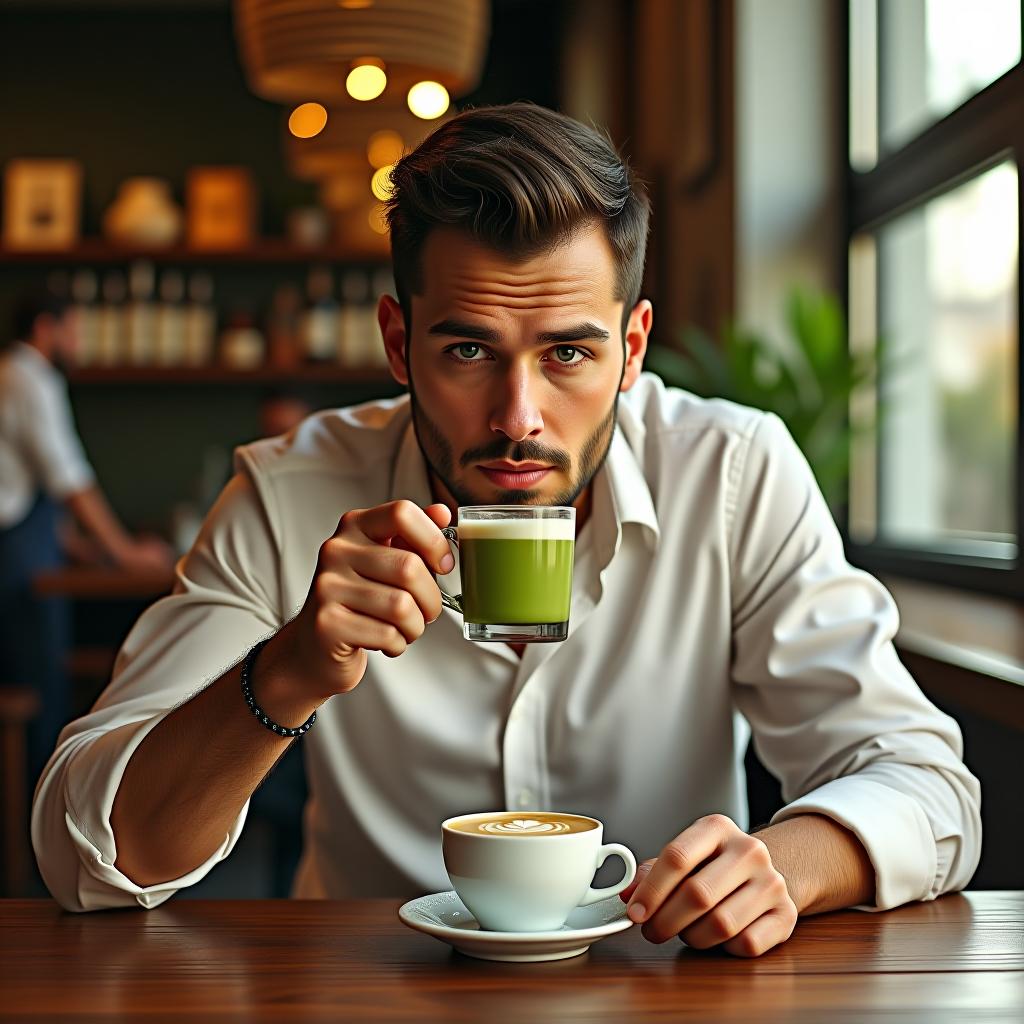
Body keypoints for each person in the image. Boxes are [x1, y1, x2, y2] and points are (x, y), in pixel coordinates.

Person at [32, 105, 980, 957]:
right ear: (399, 345)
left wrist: (787, 864)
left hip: (664, 992)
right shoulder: (289, 491)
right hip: (366, 996)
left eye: (569, 351)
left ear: (632, 351)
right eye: (469, 350)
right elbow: (87, 858)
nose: (519, 415)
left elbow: (927, 786)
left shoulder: (733, 472)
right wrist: (288, 671)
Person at [0, 289, 172, 783]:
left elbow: (44, 501)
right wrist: (126, 554)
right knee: (41, 691)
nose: (77, 340)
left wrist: (94, 552)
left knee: (49, 685)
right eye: (72, 329)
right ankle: (37, 836)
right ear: (45, 328)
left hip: (28, 547)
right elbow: (69, 480)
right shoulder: (29, 378)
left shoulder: (18, 376)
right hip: (16, 561)